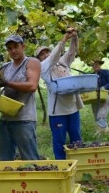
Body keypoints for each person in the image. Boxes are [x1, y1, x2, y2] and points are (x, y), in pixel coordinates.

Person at [0, 35, 41, 161]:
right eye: (10, 48)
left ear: (23, 46)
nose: (13, 51)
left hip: (24, 119)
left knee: (29, 158)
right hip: (6, 119)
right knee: (4, 159)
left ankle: (34, 180)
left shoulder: (31, 62)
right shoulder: (5, 67)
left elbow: (32, 86)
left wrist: (7, 83)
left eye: (16, 47)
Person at [35, 28, 83, 159]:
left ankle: (78, 163)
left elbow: (72, 52)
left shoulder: (62, 62)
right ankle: (61, 165)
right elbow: (54, 56)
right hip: (58, 111)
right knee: (59, 141)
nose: (45, 55)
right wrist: (64, 39)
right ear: (39, 59)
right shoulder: (43, 67)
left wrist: (74, 37)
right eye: (41, 54)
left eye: (47, 52)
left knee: (76, 138)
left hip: (73, 107)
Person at [91, 59, 109, 135]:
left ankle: (105, 133)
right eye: (94, 64)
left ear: (100, 64)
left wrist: (104, 87)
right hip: (94, 98)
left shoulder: (106, 72)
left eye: (97, 64)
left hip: (106, 97)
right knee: (97, 117)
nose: (95, 65)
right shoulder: (90, 76)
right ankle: (104, 134)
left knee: (100, 116)